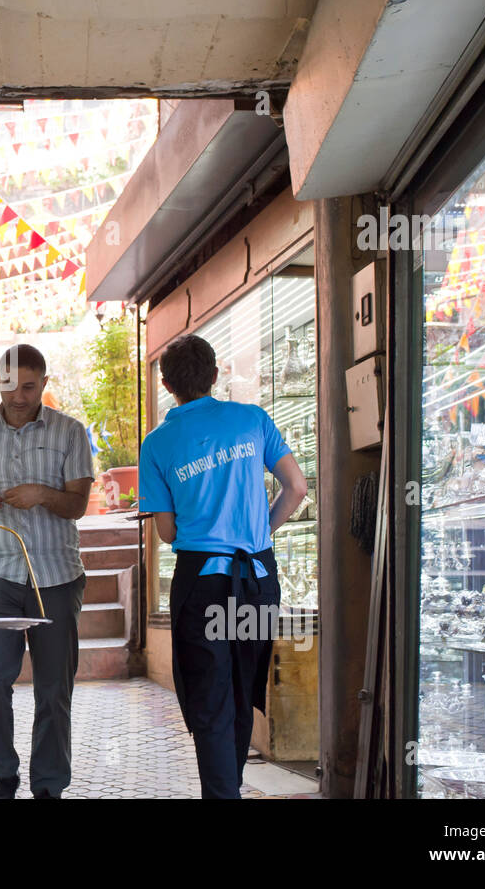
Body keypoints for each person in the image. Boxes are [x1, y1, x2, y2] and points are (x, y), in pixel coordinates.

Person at [137, 334, 307, 799]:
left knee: (210, 698)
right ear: (215, 375)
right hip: (256, 578)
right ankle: (228, 788)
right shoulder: (252, 419)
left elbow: (168, 533)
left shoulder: (157, 444)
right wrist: (258, 533)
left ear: (168, 384)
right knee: (241, 688)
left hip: (202, 585)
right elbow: (296, 487)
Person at [0, 345, 94, 799]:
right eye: (8, 385)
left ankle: (49, 785)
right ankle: (2, 773)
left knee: (53, 690)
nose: (17, 396)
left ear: (43, 384)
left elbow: (77, 505)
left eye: (28, 386)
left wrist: (43, 494)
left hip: (57, 576)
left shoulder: (71, 432)